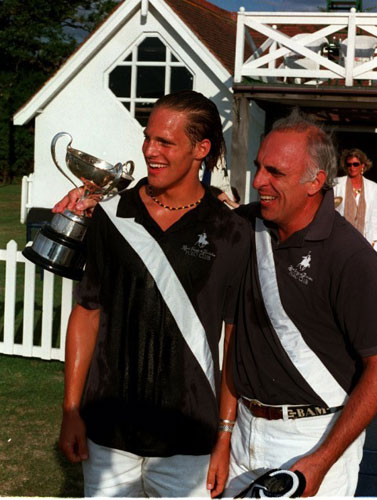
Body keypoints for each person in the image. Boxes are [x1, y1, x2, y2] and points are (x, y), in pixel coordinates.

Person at [55, 90, 251, 498]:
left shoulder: (231, 232)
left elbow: (234, 337)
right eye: (148, 138)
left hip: (189, 438)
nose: (149, 151)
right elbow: (87, 312)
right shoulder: (113, 215)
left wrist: (224, 435)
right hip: (108, 431)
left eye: (165, 142)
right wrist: (71, 409)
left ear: (202, 148)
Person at [218, 111, 377, 497]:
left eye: (275, 172)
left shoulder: (349, 256)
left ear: (315, 182)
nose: (257, 182)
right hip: (242, 432)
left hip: (314, 440)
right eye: (258, 167)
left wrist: (321, 461)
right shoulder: (246, 226)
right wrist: (91, 203)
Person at [333, 148, 377, 248]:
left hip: (366, 240)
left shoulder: (373, 188)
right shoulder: (336, 184)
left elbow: (375, 216)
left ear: (363, 165)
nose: (352, 167)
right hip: (341, 238)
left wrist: (374, 239)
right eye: (349, 164)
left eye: (355, 164)